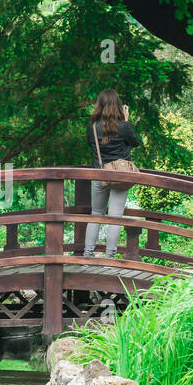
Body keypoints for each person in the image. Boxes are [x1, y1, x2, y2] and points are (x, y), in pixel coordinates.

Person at [83, 89, 140, 259]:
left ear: (99, 105)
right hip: (120, 174)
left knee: (96, 214)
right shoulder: (123, 126)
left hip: (99, 173)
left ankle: (88, 254)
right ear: (118, 105)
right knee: (115, 217)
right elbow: (135, 142)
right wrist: (126, 121)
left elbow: (92, 147)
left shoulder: (92, 127)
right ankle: (110, 257)